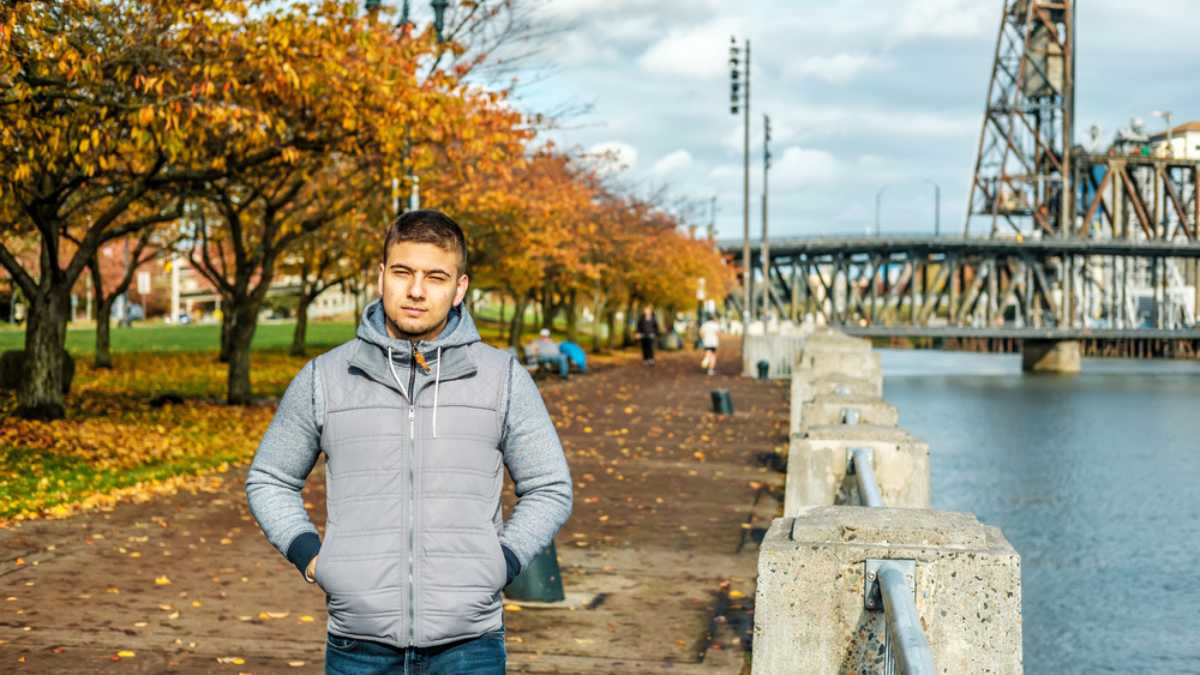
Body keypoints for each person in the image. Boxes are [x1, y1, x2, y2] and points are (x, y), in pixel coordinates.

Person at [245, 210, 573, 675]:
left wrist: (501, 562)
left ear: (459, 288)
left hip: (469, 647)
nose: (416, 290)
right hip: (358, 646)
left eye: (435, 277)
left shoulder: (502, 379)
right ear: (381, 276)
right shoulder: (326, 377)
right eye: (403, 272)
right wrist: (313, 557)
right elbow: (269, 478)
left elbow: (551, 486)